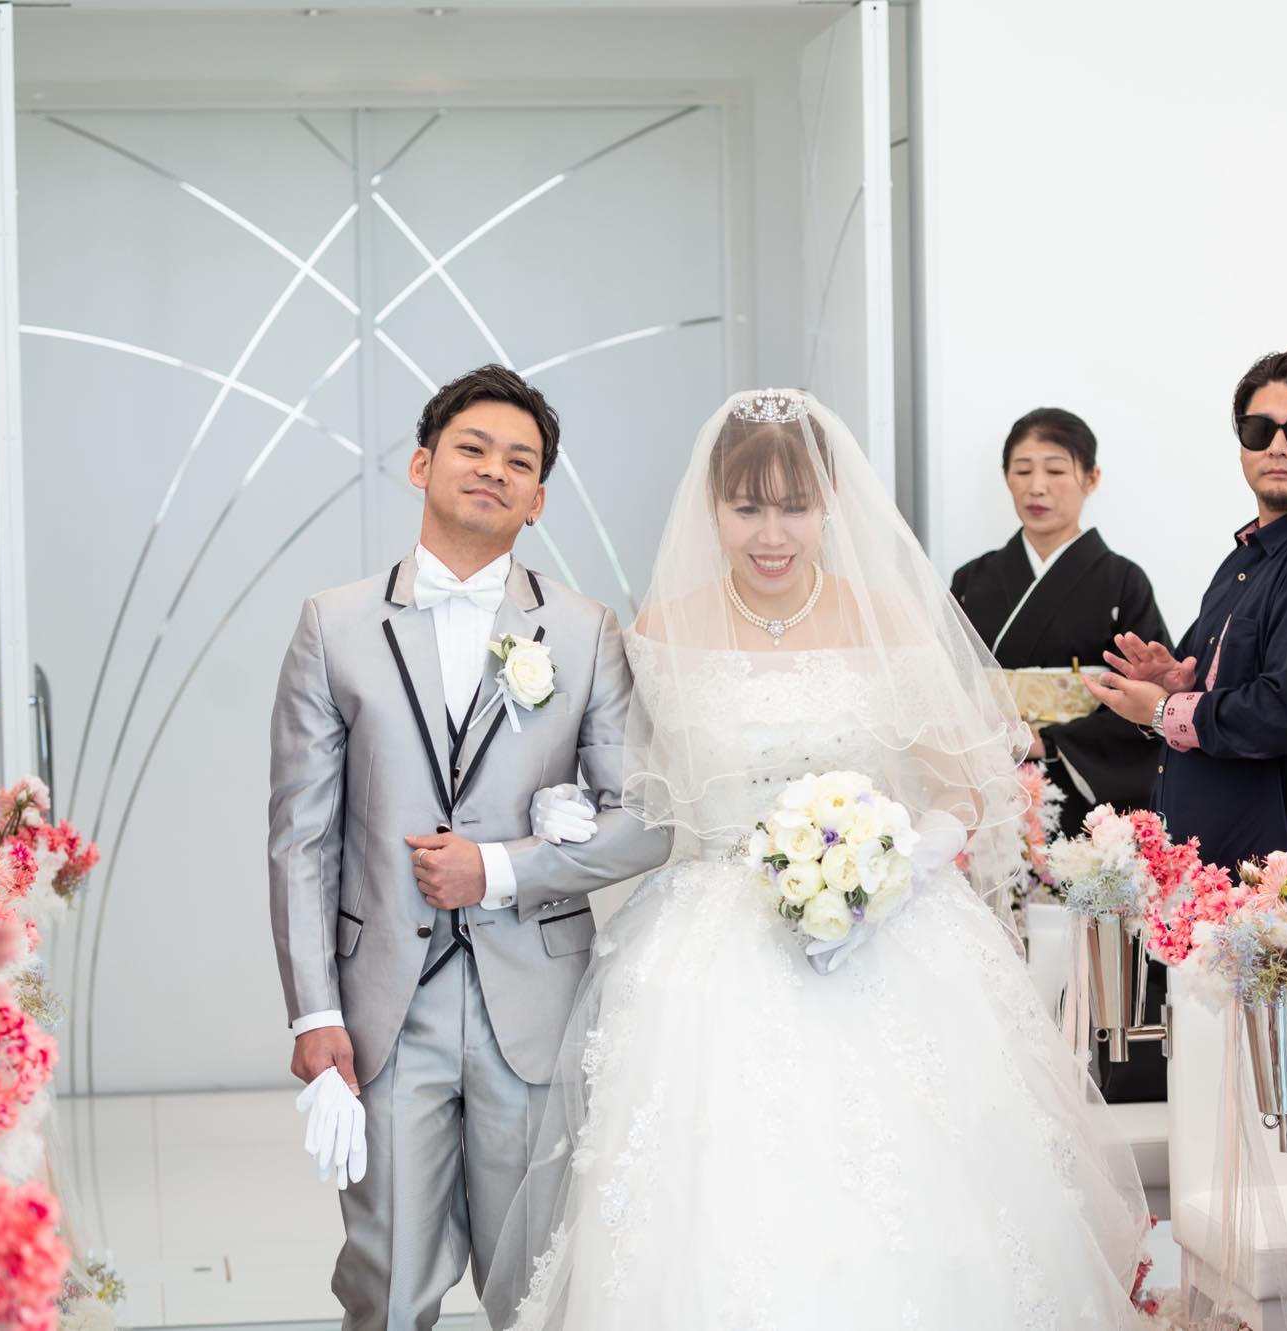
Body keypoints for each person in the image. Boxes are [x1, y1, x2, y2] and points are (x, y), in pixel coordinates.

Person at [485, 389, 1150, 1328]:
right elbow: (640, 788)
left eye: (794, 507)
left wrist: (896, 873)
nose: (771, 534)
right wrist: (562, 807)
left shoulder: (886, 618)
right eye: (747, 507)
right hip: (712, 942)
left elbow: (964, 788)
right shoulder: (662, 628)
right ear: (711, 506)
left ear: (829, 505)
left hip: (889, 933)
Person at [268, 365, 674, 1330]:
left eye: (519, 462)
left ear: (538, 500)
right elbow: (300, 835)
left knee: (534, 1279)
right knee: (386, 1279)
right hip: (383, 1008)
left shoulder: (583, 631)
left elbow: (647, 820)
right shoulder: (334, 623)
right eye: (473, 448)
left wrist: (499, 868)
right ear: (422, 464)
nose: (493, 469)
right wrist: (312, 1011)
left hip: (534, 1001)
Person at [1087, 348, 1287, 889]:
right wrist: (1178, 684)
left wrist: (1163, 710)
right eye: (1258, 430)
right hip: (1229, 882)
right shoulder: (1254, 553)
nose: (1277, 446)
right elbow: (1235, 690)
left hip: (1283, 890)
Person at [950, 407, 1170, 832]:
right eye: (1022, 470)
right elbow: (944, 683)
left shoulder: (1122, 582)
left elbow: (1148, 694)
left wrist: (1044, 742)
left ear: (1091, 478)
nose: (1037, 486)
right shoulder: (970, 580)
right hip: (990, 777)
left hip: (1085, 790)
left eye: (1055, 470)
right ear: (1007, 478)